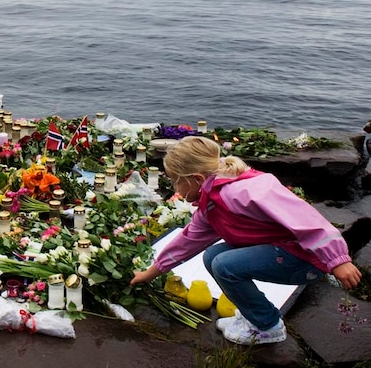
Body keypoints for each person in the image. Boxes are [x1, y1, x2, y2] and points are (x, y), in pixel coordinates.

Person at [130, 136, 362, 345]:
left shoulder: (242, 191)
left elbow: (306, 219)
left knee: (225, 265)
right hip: (283, 251)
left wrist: (338, 260)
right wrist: (152, 272)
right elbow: (188, 241)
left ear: (196, 178)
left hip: (306, 259)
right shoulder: (211, 202)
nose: (174, 187)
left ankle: (268, 326)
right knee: (212, 256)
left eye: (175, 181)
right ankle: (252, 314)